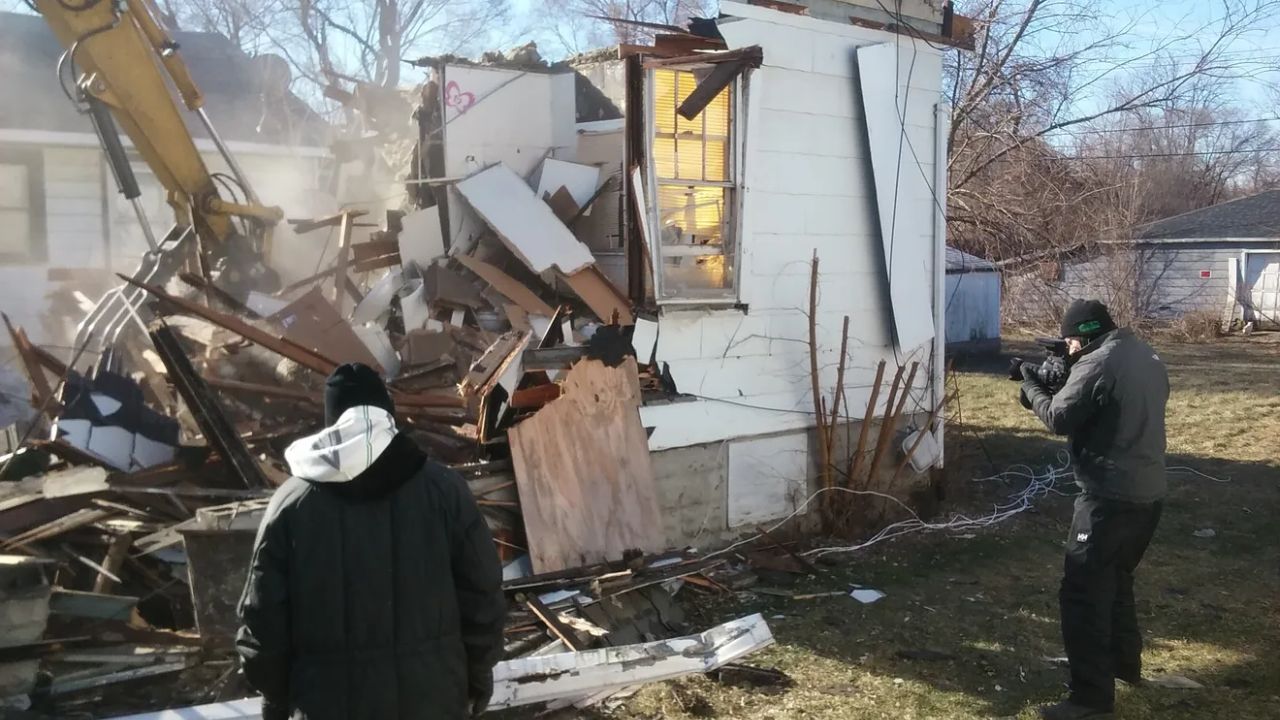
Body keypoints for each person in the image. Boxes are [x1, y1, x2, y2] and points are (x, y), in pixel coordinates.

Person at [236, 363, 506, 720]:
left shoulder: (290, 504)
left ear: (332, 420)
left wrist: (275, 695)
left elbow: (263, 618)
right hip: (433, 700)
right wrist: (478, 673)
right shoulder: (444, 491)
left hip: (325, 705)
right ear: (387, 416)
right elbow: (482, 593)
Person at [1018, 300, 1168, 720]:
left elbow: (1060, 418)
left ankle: (1089, 699)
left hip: (1108, 497)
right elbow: (1107, 404)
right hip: (1148, 493)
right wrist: (1062, 376)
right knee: (1117, 579)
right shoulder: (1142, 352)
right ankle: (1124, 664)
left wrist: (1032, 387)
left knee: (1082, 593)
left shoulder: (1099, 362)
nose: (1068, 350)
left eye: (1069, 342)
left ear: (1082, 337)